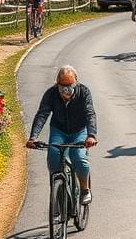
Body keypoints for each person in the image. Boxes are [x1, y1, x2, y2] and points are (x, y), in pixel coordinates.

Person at [26, 65, 97, 205]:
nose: (66, 89)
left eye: (69, 85)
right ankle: (58, 196)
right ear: (57, 83)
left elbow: (90, 114)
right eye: (62, 85)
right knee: (53, 159)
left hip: (79, 131)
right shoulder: (51, 94)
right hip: (58, 131)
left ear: (76, 82)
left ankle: (84, 190)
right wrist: (33, 137)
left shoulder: (84, 92)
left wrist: (91, 135)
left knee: (79, 159)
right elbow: (42, 114)